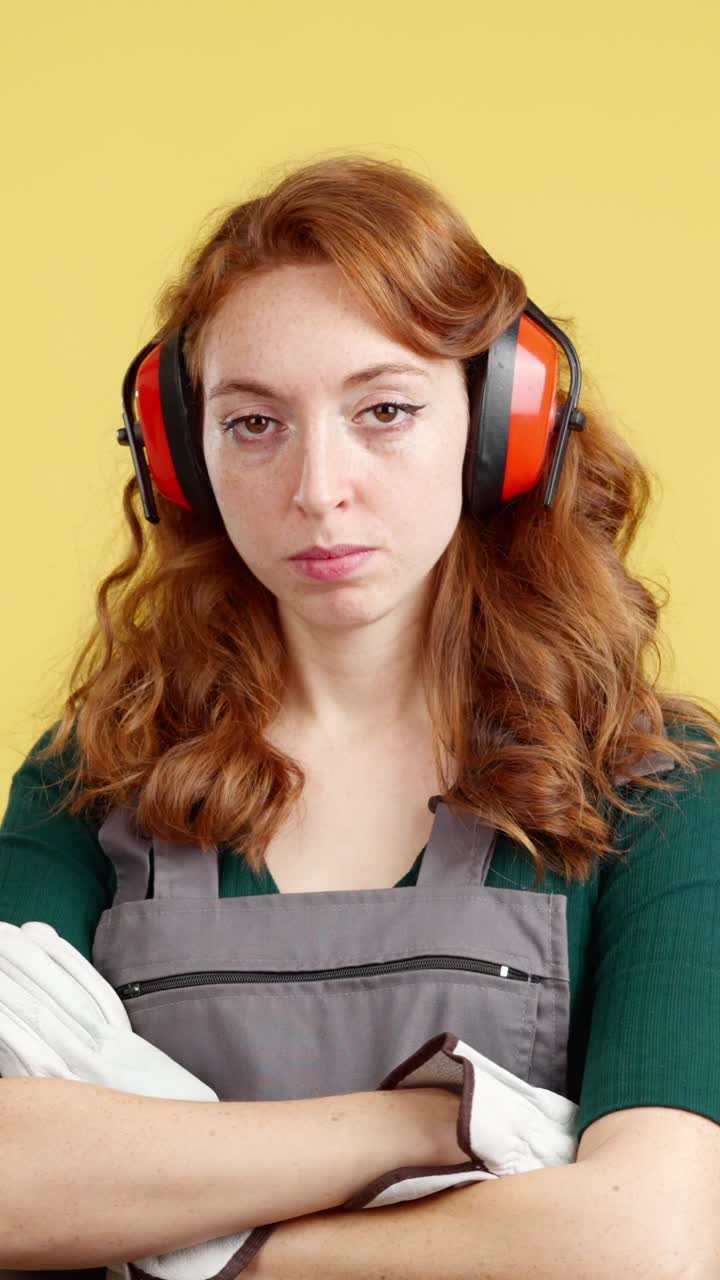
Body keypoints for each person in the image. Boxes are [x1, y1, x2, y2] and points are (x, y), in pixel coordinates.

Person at [1, 153, 719, 1278]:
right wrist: (428, 1125)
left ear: (497, 429)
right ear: (184, 453)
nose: (318, 485)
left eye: (384, 409)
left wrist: (202, 1248)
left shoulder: (654, 784)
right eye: (253, 424)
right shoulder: (91, 774)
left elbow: (647, 1238)